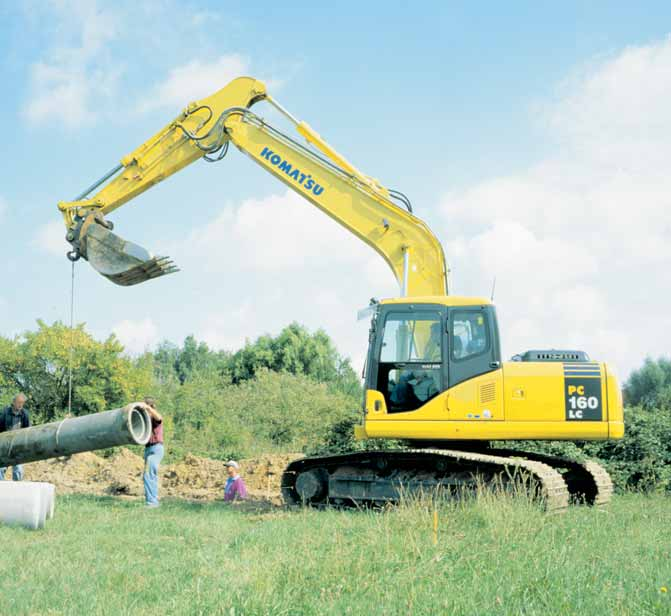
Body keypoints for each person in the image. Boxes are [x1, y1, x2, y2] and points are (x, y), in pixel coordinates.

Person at [127, 398, 164, 508]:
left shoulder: (155, 419)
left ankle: (152, 503)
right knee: (151, 476)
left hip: (156, 448)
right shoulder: (146, 422)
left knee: (148, 475)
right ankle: (153, 501)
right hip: (148, 449)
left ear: (151, 408)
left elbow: (159, 417)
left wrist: (147, 407)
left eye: (147, 410)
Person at [0, 393, 31, 481]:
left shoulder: (25, 414)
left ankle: (17, 491)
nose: (20, 405)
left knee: (18, 470)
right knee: (1, 468)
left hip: (18, 445)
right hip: (5, 444)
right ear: (13, 402)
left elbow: (28, 429)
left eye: (22, 403)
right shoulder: (5, 412)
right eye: (19, 402)